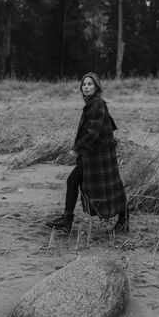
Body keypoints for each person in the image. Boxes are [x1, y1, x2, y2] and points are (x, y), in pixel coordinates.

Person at [46, 72, 129, 234]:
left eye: (90, 84)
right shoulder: (93, 104)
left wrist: (77, 149)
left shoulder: (97, 104)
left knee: (75, 181)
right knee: (113, 186)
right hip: (98, 155)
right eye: (84, 84)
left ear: (97, 86)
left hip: (97, 156)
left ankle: (67, 220)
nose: (86, 87)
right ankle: (123, 222)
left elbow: (93, 132)